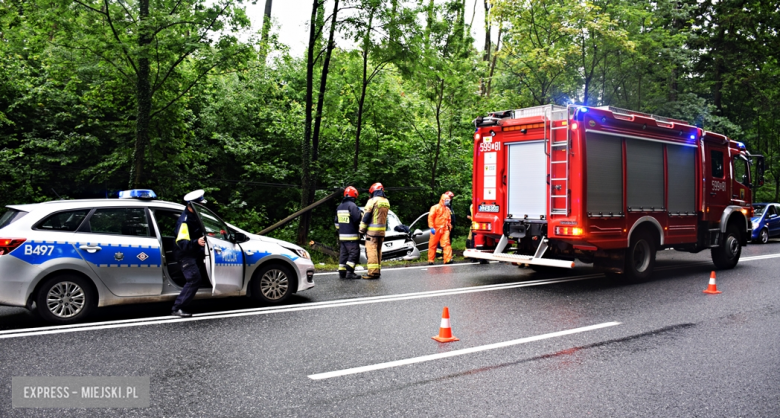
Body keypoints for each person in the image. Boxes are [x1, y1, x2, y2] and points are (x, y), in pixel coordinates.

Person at [171, 190, 208, 318]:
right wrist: (197, 242)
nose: (202, 206)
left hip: (194, 252)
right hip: (185, 254)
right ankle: (178, 307)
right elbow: (182, 244)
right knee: (194, 279)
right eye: (199, 204)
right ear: (191, 205)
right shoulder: (185, 222)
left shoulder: (195, 216)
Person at [359, 182, 390, 279]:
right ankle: (378, 271)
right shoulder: (386, 201)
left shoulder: (372, 201)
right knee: (378, 251)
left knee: (371, 251)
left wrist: (361, 230)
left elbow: (366, 216)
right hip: (382, 232)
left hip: (372, 232)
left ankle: (372, 273)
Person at [335, 186, 362, 279]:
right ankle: (349, 272)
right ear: (354, 195)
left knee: (344, 254)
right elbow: (357, 218)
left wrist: (340, 230)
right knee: (354, 253)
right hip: (352, 236)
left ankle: (342, 272)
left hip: (342, 237)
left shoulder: (339, 206)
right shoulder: (352, 206)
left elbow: (336, 222)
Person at [428, 191, 454, 265]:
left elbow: (449, 219)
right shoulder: (435, 208)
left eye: (448, 201)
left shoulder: (447, 210)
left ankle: (448, 259)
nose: (447, 202)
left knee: (446, 244)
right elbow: (430, 217)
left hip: (445, 229)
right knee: (432, 244)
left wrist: (449, 226)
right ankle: (431, 259)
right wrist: (431, 227)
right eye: (446, 200)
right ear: (442, 200)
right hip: (436, 229)